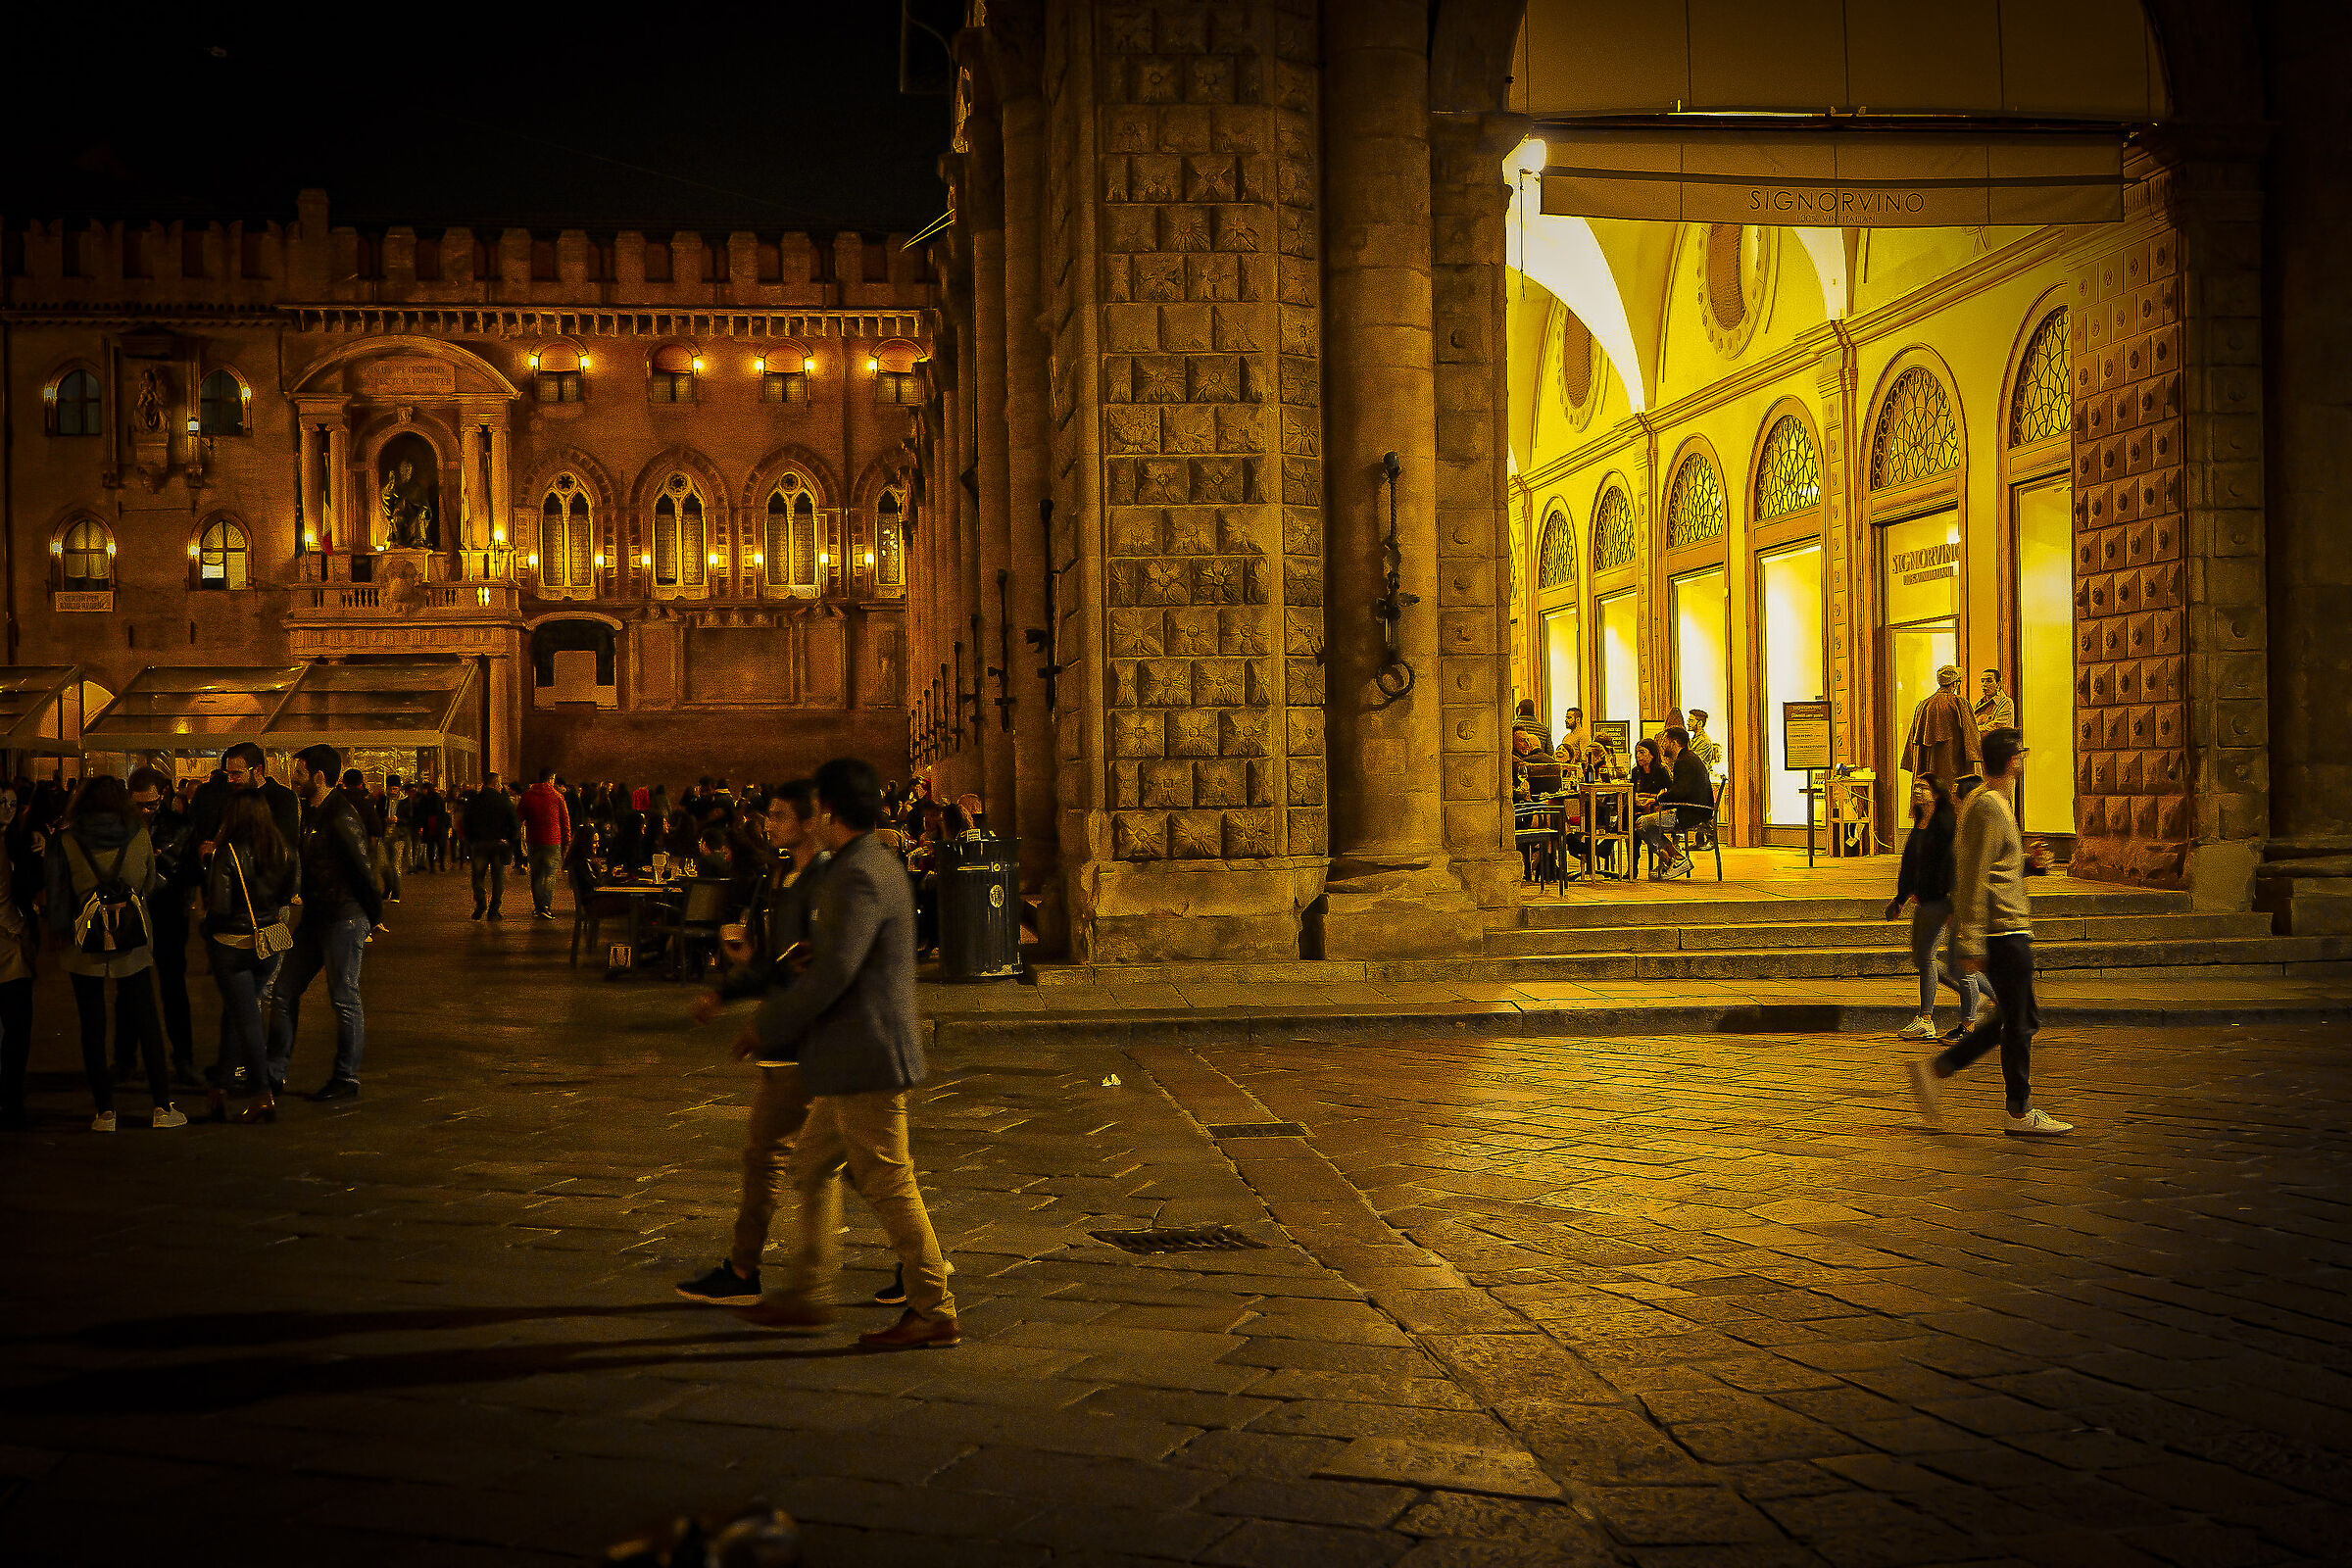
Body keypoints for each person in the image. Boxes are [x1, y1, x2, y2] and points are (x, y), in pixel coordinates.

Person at [713, 758, 958, 1350]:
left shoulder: (858, 873)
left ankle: (933, 1306)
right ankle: (808, 1294)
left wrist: (768, 1023)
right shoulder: (861, 866)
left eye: (814, 807)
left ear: (827, 811)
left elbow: (836, 972)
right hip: (851, 1050)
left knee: (888, 1177)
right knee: (813, 1164)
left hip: (865, 1050)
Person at [676, 779, 837, 1308]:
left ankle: (746, 1269)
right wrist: (732, 979)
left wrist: (759, 1021)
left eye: (784, 815)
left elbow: (806, 970)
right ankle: (919, 1265)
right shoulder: (777, 878)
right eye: (770, 815)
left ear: (812, 821)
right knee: (863, 1164)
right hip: (791, 1036)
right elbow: (772, 961)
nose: (771, 824)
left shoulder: (822, 884)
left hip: (806, 1042)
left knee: (770, 1156)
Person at [1905, 728, 2069, 1136]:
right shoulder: (1990, 806)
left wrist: (2029, 866)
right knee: (2022, 1018)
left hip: (2005, 924)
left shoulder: (1988, 804)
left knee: (2015, 1015)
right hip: (2003, 929)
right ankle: (2019, 1109)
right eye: (2021, 755)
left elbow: (1992, 868)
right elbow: (1973, 876)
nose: (2023, 761)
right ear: (2013, 761)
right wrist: (1971, 939)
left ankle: (1940, 1070)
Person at [48, 776, 179, 1131]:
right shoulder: (137, 835)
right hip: (132, 941)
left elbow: (57, 892)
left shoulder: (67, 840)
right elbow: (149, 883)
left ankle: (104, 1111)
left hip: (84, 943)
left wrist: (59, 932)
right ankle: (162, 1107)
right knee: (147, 1019)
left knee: (92, 1026)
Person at [267, 743, 386, 1102]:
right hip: (318, 915)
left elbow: (363, 870)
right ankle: (274, 1073)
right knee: (284, 990)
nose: (294, 779)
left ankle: (346, 1077)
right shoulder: (312, 811)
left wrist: (373, 917)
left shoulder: (340, 816)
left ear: (320, 777)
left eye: (300, 773)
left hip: (343, 917)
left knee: (343, 997)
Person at [202, 792, 297, 1125]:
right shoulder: (283, 848)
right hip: (268, 942)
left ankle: (261, 1093)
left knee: (246, 1018)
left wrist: (205, 930)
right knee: (239, 1011)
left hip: (233, 945)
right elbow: (288, 892)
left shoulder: (227, 852)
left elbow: (221, 906)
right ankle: (219, 1087)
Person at [1884, 773, 1983, 1044]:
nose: (1917, 791)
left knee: (1936, 959)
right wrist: (1900, 898)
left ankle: (1928, 1019)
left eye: (1923, 788)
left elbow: (1952, 866)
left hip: (1944, 901)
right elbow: (1910, 864)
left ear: (1935, 794)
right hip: (1925, 900)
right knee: (1927, 959)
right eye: (1915, 787)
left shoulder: (1947, 824)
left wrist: (1952, 903)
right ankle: (1988, 994)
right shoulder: (1920, 823)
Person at [127, 765, 203, 1090]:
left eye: (151, 803)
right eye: (140, 804)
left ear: (164, 796)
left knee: (172, 989)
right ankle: (127, 1058)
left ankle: (182, 1058)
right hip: (136, 916)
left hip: (167, 914)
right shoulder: (127, 827)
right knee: (131, 990)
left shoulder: (180, 827)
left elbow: (191, 873)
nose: (146, 810)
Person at [0, 800, 38, 1131]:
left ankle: (12, 1098)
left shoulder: (17, 840)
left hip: (13, 948)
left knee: (17, 1027)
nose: (8, 809)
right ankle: (11, 1099)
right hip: (10, 944)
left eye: (12, 802)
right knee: (16, 1026)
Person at [1634, 726, 1713, 880]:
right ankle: (1672, 860)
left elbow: (1679, 793)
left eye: (1665, 741)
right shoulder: (1689, 758)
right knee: (1645, 823)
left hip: (1691, 813)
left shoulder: (1683, 762)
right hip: (1695, 810)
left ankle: (1676, 859)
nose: (1662, 744)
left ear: (1675, 743)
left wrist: (1659, 799)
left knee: (1642, 823)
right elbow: (1682, 791)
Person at [1902, 665, 1983, 796]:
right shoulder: (1959, 702)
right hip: (1953, 765)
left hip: (1927, 768)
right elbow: (1971, 735)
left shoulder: (1924, 705)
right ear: (1955, 684)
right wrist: (1976, 758)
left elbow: (1912, 741)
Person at [462, 770, 523, 919]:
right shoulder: (504, 800)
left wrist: (471, 840)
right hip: (498, 844)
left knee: (478, 876)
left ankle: (481, 901)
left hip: (479, 843)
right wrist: (510, 840)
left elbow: (466, 822)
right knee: (498, 877)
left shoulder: (475, 800)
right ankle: (494, 909)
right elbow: (515, 823)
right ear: (496, 783)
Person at [518, 766, 571, 920]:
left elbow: (519, 817)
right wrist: (567, 841)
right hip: (553, 840)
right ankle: (546, 906)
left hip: (534, 839)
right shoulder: (557, 796)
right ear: (551, 779)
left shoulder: (527, 795)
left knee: (536, 874)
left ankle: (538, 907)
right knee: (549, 874)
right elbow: (565, 820)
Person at [1975, 668, 2016, 733]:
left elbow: (1998, 726)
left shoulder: (2006, 702)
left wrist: (1975, 729)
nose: (1984, 684)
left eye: (1989, 681)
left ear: (1998, 684)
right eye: (1982, 681)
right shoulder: (1979, 703)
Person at [1685, 709, 1723, 773]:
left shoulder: (1705, 741)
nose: (1688, 723)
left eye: (1691, 721)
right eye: (1688, 720)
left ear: (1699, 723)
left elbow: (1694, 763)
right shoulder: (1693, 739)